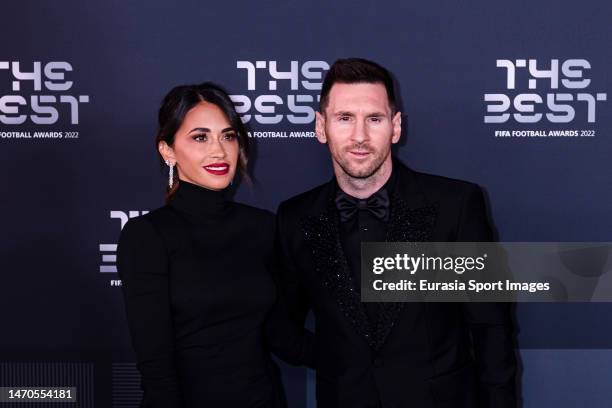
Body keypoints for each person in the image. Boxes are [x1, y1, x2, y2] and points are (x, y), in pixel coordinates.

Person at [275, 58, 517, 408]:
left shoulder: (456, 205)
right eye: (345, 118)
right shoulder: (295, 217)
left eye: (374, 119)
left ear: (396, 126)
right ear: (321, 126)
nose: (360, 136)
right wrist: (337, 361)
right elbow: (282, 326)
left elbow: (492, 329)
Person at [117, 82, 312, 408]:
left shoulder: (262, 226)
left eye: (228, 136)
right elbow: (156, 368)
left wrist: (367, 352)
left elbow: (282, 337)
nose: (219, 150)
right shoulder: (147, 236)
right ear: (168, 150)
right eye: (200, 137)